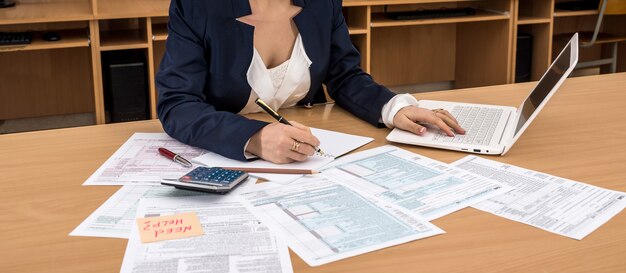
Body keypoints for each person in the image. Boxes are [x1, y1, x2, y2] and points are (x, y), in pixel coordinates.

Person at [156, 0, 465, 164]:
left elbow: (345, 75)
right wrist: (254, 137)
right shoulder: (196, 5)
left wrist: (392, 108)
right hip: (230, 158)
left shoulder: (322, 2)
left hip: (308, 160)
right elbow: (177, 104)